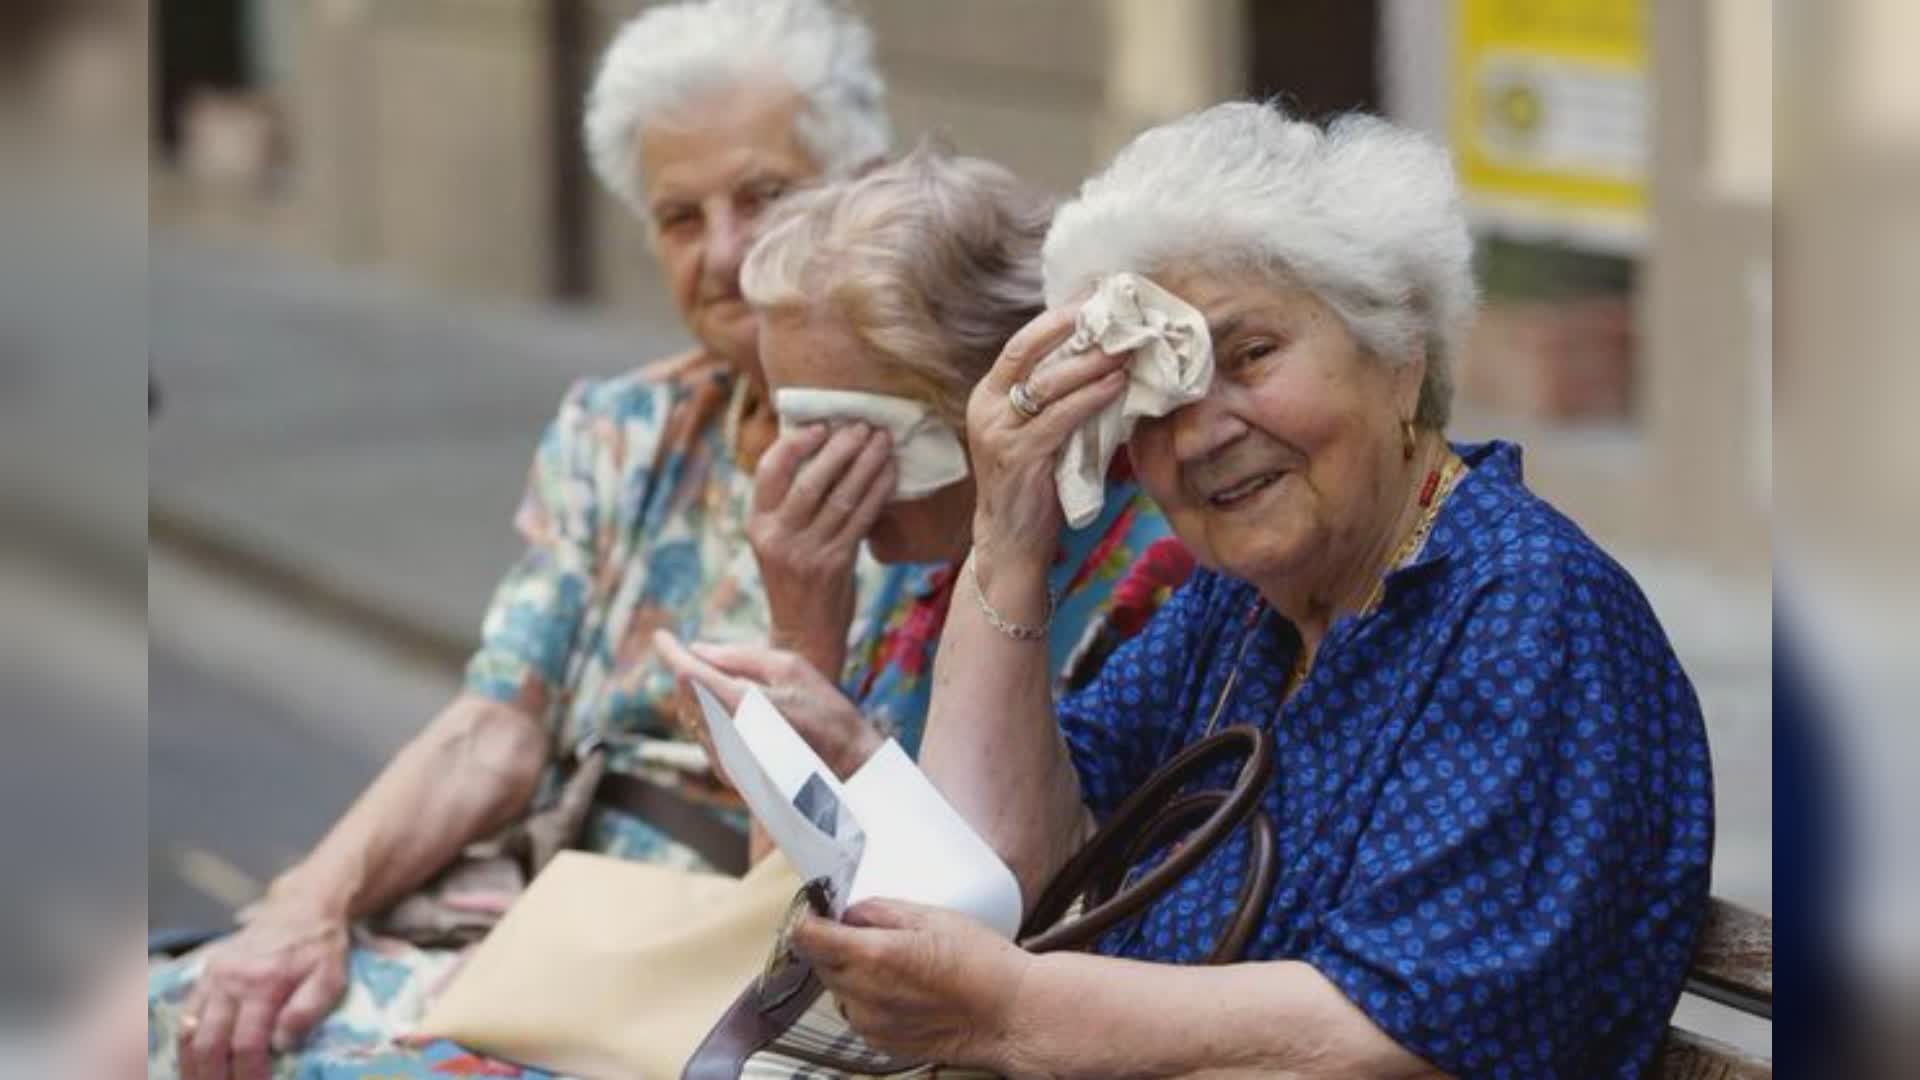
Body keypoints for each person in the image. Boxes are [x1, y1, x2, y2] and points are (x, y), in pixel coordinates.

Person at [787, 103, 1715, 1079]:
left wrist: (1011, 1013)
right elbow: (1007, 860)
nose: (1199, 433)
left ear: (1400, 357)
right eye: (1155, 394)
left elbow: (1392, 1035)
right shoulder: (1241, 609)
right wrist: (1008, 536)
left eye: (1251, 356)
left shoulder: (1530, 611)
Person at [151, 2, 892, 1077]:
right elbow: (493, 729)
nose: (725, 252)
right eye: (680, 217)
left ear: (861, 190)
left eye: (765, 196)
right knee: (188, 1011)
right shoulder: (625, 430)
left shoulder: (930, 475)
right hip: (553, 902)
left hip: (740, 957)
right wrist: (303, 907)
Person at [660, 145, 1190, 775]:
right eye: (791, 424)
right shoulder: (919, 547)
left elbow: (1028, 866)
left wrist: (842, 742)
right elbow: (788, 875)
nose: (804, 466)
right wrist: (804, 637)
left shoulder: (1158, 582)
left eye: (845, 429)